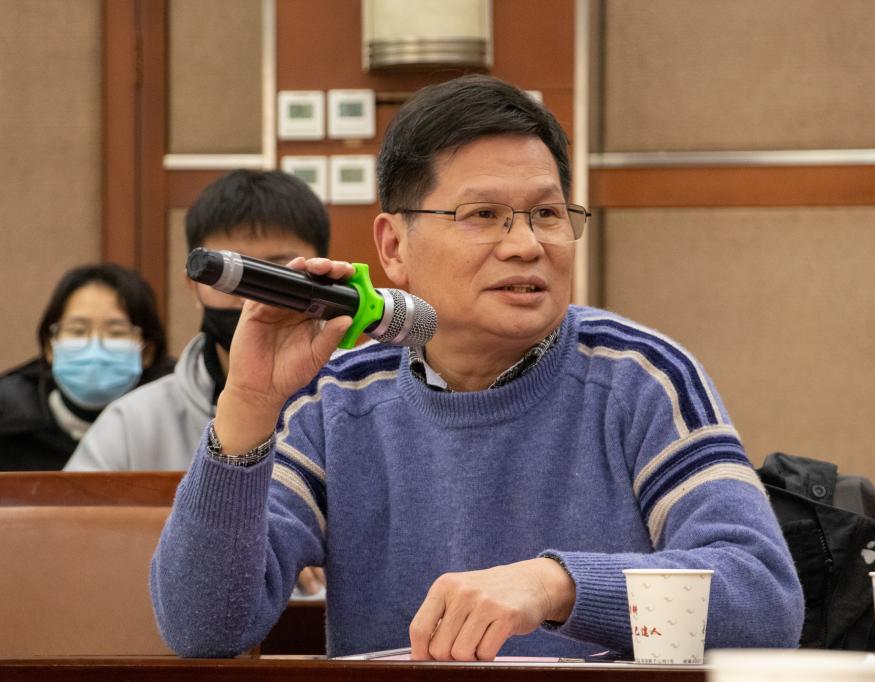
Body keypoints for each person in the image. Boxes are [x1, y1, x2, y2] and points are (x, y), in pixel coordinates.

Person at [151, 75, 804, 660]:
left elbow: (764, 598)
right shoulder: (334, 398)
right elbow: (203, 628)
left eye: (547, 214)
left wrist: (556, 584)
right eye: (484, 215)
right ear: (393, 246)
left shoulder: (641, 378)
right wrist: (249, 403)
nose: (526, 245)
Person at [63, 169, 331, 474]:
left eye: (279, 272)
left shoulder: (360, 401)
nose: (253, 298)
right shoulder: (131, 425)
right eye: (232, 274)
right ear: (194, 286)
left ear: (321, 274)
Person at [0, 264, 174, 470]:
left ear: (146, 352)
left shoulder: (174, 421)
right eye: (78, 330)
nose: (95, 347)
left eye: (116, 332)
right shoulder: (8, 422)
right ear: (49, 346)